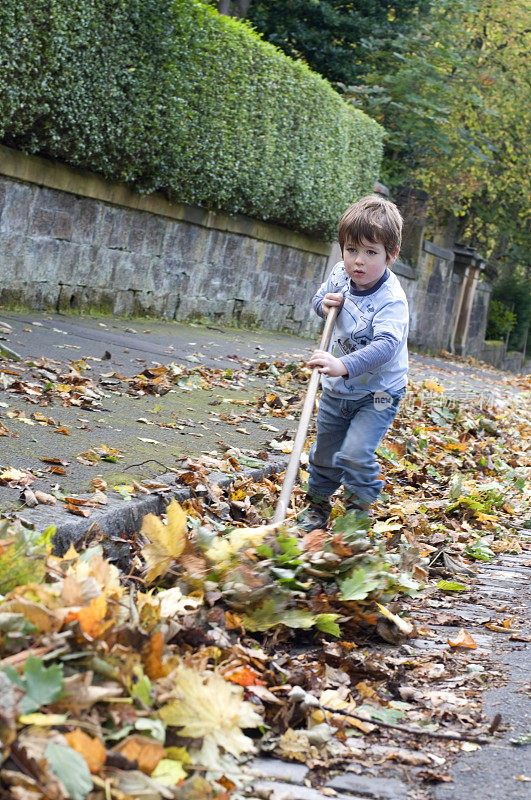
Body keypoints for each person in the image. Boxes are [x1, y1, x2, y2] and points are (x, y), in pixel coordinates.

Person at [298, 195, 409, 531]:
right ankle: (317, 506)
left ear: (391, 256)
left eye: (371, 253)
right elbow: (321, 300)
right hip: (337, 389)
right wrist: (323, 303)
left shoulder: (391, 300)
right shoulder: (339, 274)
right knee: (325, 452)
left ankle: (359, 509)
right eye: (351, 250)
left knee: (356, 452)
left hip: (380, 393)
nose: (358, 261)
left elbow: (386, 346)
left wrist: (342, 365)